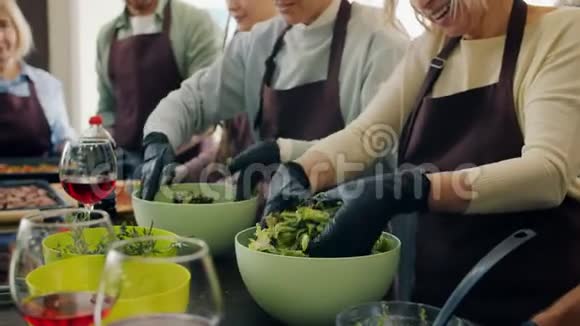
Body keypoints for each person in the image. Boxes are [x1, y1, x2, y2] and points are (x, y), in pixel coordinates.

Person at [260, 0, 580, 324]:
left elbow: (547, 173)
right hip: (439, 301)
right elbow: (367, 135)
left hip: (532, 306)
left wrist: (409, 189)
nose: (422, 2)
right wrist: (302, 171)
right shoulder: (432, 48)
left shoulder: (563, 33)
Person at [139, 0, 410, 201]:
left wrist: (284, 152)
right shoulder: (260, 41)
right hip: (270, 229)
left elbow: (378, 154)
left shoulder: (382, 41)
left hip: (355, 235)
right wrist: (159, 138)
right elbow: (194, 100)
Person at [96, 0, 222, 178]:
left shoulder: (195, 23)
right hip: (127, 167)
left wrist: (159, 153)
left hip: (185, 162)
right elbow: (107, 110)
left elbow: (205, 104)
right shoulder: (107, 35)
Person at [171, 0, 278, 183]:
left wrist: (230, 189)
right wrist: (183, 173)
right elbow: (229, 151)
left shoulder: (301, 56)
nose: (231, 6)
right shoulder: (241, 47)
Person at [0, 0, 75, 157]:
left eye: (4, 25)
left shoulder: (46, 85)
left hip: (40, 180)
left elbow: (63, 139)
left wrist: (72, 148)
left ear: (18, 29)